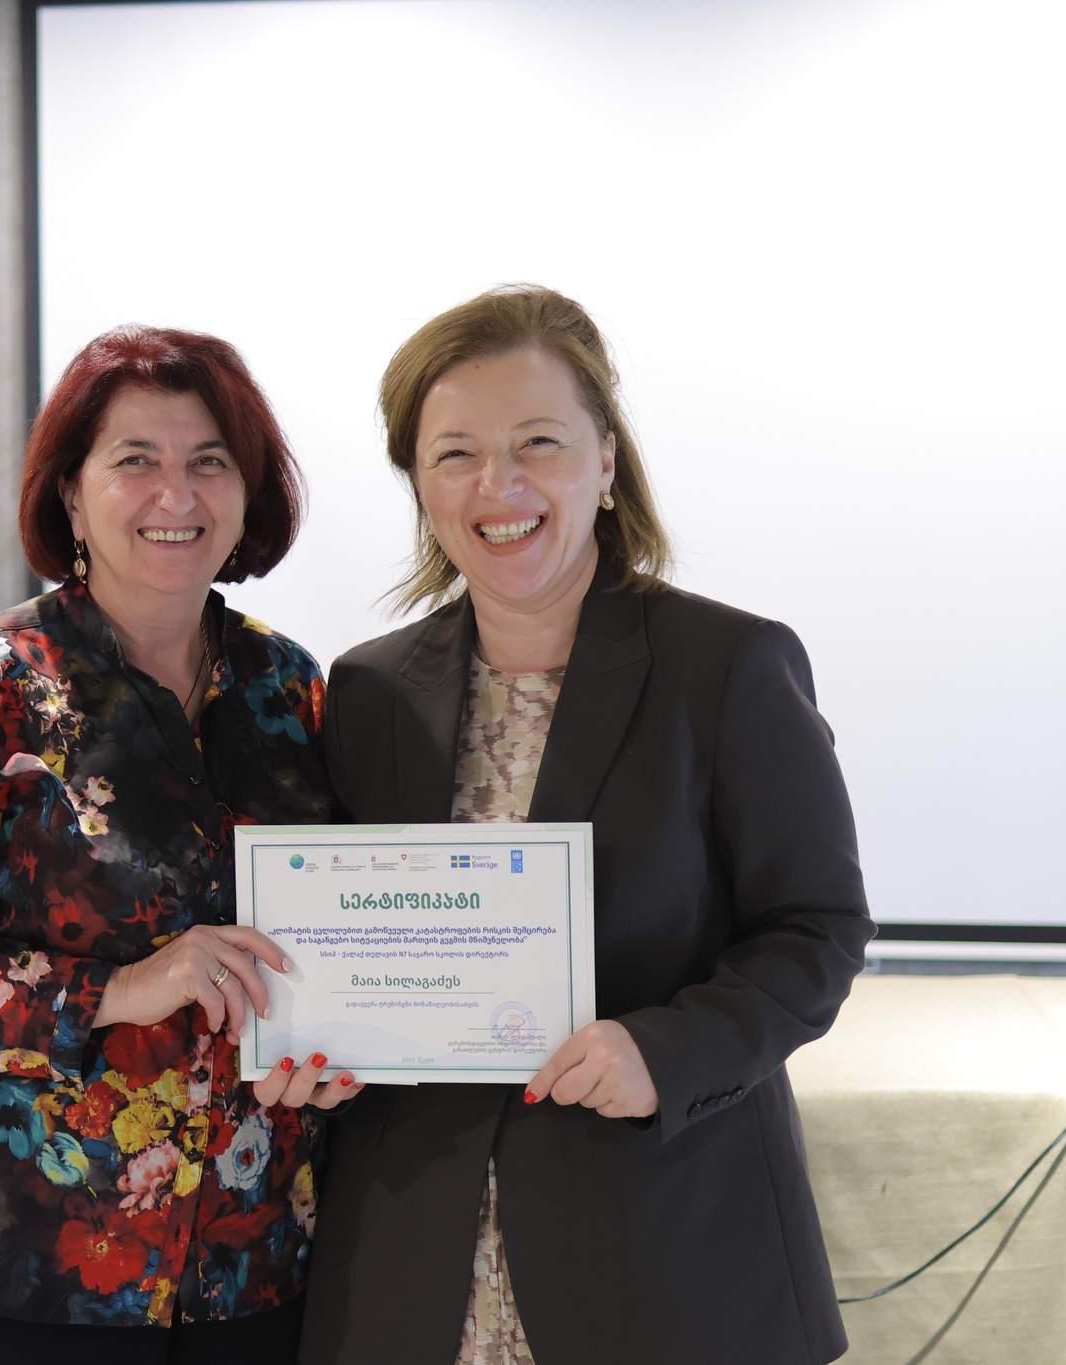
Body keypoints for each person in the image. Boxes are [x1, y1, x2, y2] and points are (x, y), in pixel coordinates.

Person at [297, 286, 873, 1365]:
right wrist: (315, 1040)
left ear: (605, 460)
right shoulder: (367, 690)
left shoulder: (728, 667)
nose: (498, 484)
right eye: (455, 453)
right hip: (414, 1271)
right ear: (418, 482)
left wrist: (664, 1051)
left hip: (663, 1254)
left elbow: (817, 929)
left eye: (539, 442)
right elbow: (356, 945)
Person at [0, 325, 356, 1365]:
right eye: (135, 460)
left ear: (248, 492)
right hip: (27, 1263)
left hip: (254, 1260)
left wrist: (351, 1043)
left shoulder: (289, 688)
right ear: (72, 494)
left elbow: (336, 921)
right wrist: (115, 991)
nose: (177, 493)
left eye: (210, 461)